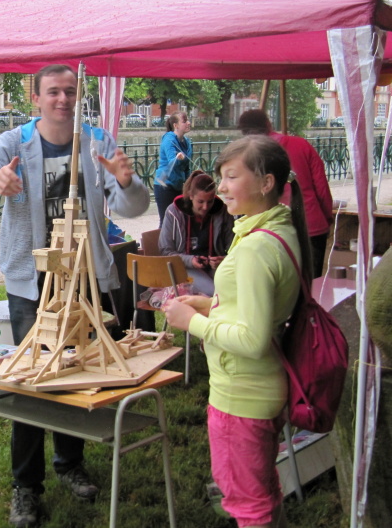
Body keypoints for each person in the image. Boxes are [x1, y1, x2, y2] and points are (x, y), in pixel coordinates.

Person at [0, 64, 150, 528]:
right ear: (37, 98)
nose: (62, 99)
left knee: (78, 373)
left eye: (69, 91)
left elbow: (134, 207)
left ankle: (70, 462)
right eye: (53, 92)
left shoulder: (97, 141)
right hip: (31, 279)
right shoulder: (13, 142)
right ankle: (26, 485)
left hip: (84, 274)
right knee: (31, 379)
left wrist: (126, 182)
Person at [164, 135, 313, 528]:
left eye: (231, 177)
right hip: (260, 389)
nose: (221, 188)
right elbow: (258, 310)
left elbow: (252, 339)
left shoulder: (255, 249)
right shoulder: (276, 230)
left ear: (266, 183)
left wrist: (191, 322)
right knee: (262, 495)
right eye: (220, 178)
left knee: (249, 506)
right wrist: (212, 305)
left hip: (241, 396)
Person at [238, 109, 333, 278]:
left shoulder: (246, 156)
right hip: (311, 223)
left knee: (280, 284)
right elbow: (322, 188)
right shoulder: (301, 144)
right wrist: (326, 217)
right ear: (268, 124)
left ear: (243, 132)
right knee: (312, 284)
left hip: (270, 230)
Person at [158, 170, 235, 296]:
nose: (205, 207)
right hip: (184, 267)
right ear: (191, 196)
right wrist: (191, 260)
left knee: (234, 290)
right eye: (200, 201)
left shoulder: (223, 211)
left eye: (210, 201)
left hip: (216, 267)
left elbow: (234, 248)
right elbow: (166, 251)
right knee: (215, 293)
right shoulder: (173, 212)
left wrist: (223, 260)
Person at [154, 111, 193, 227]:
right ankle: (160, 239)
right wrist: (178, 159)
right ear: (176, 125)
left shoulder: (187, 142)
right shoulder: (168, 140)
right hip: (164, 185)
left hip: (178, 185)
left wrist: (189, 184)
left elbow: (187, 167)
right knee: (166, 221)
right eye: (184, 121)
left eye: (188, 120)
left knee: (181, 219)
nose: (188, 123)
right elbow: (172, 161)